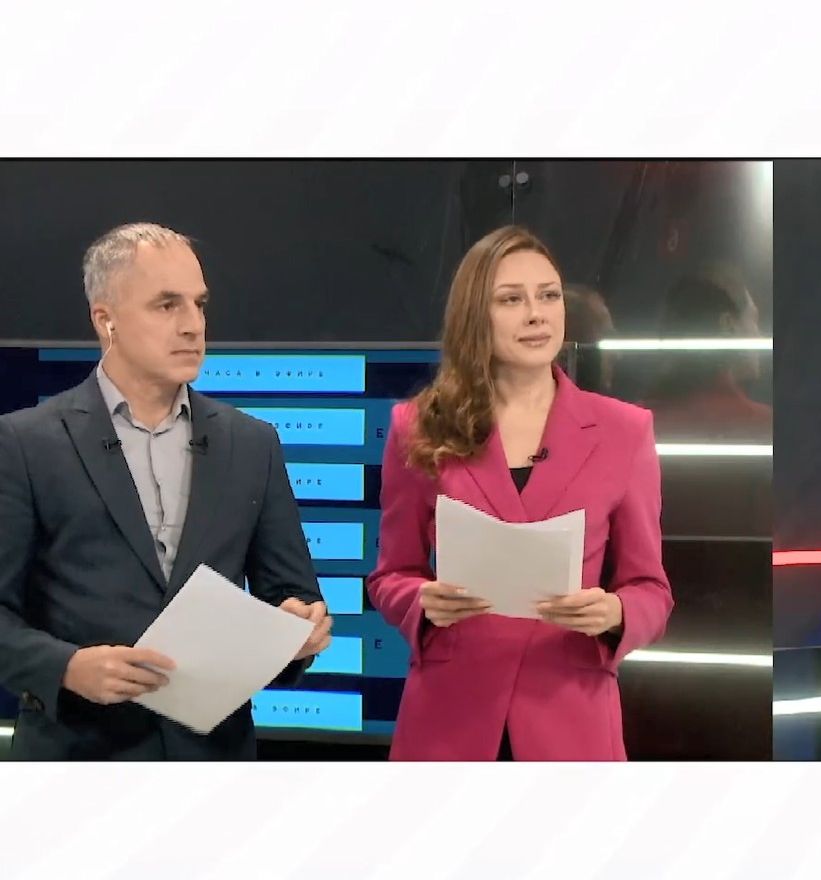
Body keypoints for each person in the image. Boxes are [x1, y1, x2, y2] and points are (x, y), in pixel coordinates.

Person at [0, 222, 333, 760]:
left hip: (213, 762)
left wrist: (298, 632)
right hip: (78, 760)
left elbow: (290, 595)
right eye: (166, 305)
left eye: (199, 305)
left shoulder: (252, 443)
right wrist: (66, 668)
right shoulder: (24, 444)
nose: (192, 325)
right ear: (105, 319)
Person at [368, 225, 674, 761]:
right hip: (451, 722)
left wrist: (615, 612)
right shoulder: (418, 426)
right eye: (511, 299)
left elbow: (652, 590)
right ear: (475, 316)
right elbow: (390, 575)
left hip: (570, 721)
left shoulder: (624, 432)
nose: (537, 314)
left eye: (548, 296)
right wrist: (421, 600)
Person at [642, 267, 771, 441]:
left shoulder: (636, 424)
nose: (759, 336)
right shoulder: (762, 426)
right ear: (728, 325)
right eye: (754, 320)